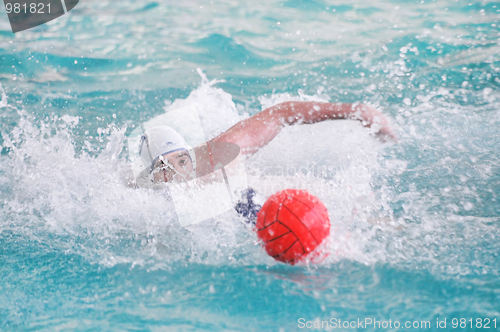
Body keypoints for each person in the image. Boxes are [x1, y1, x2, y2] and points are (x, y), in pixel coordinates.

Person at [141, 101, 396, 184]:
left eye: (182, 159)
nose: (177, 171)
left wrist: (353, 110)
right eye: (164, 167)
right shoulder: (140, 195)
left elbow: (280, 114)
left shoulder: (219, 159)